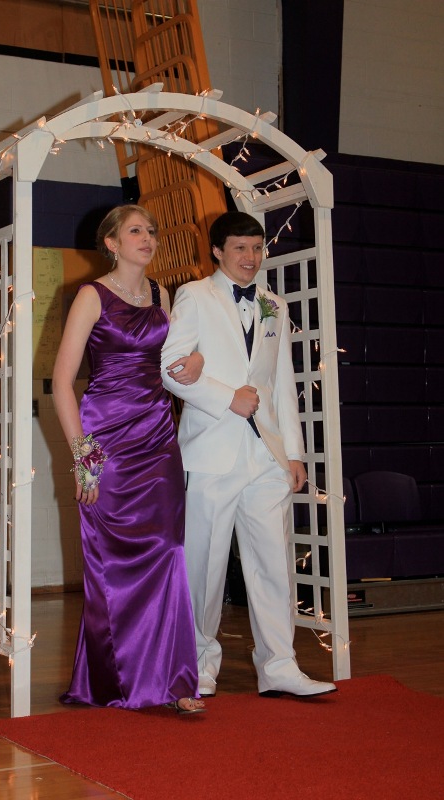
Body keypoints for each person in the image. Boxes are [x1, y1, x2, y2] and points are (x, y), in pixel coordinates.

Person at [161, 211, 337, 699]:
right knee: (205, 566)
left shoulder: (274, 305)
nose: (251, 257)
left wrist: (294, 453)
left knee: (274, 565)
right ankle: (199, 663)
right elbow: (170, 369)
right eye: (240, 247)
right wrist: (226, 398)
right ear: (218, 251)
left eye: (257, 248)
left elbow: (281, 384)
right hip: (211, 454)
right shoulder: (195, 295)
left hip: (266, 456)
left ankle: (279, 665)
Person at [52, 204, 205, 713]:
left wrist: (196, 359)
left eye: (151, 231)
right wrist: (83, 456)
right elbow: (62, 383)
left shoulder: (162, 295)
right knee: (110, 561)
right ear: (112, 243)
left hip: (158, 437)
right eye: (135, 231)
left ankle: (175, 681)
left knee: (169, 550)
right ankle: (113, 680)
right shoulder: (90, 296)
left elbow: (173, 360)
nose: (148, 238)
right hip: (105, 440)